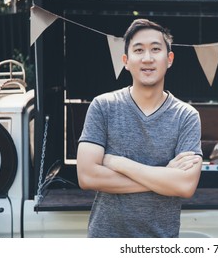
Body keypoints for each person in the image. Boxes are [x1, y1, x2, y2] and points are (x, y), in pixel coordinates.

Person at [76, 19, 203, 238]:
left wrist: (117, 162)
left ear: (169, 59)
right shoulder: (103, 107)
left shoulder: (186, 116)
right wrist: (164, 177)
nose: (147, 58)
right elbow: (87, 177)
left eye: (155, 49)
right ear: (126, 60)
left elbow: (185, 185)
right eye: (138, 50)